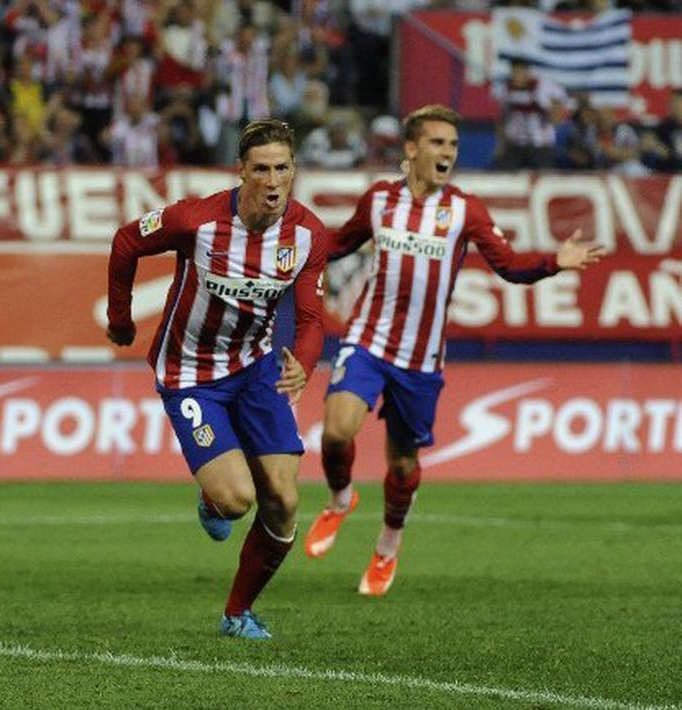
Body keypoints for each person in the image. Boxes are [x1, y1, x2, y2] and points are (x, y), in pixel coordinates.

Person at [302, 105, 604, 596]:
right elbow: (338, 244)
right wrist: (292, 243)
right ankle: (340, 500)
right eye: (437, 142)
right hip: (368, 340)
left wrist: (555, 261)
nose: (447, 152)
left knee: (403, 464)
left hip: (420, 360)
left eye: (453, 145)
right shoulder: (379, 200)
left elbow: (508, 265)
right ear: (412, 148)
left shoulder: (466, 210)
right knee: (336, 432)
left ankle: (387, 547)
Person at [106, 119, 327, 640]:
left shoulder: (308, 235)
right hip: (190, 374)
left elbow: (312, 318)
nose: (272, 181)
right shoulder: (196, 220)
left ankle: (236, 613)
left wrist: (305, 363)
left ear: (294, 170)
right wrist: (121, 320)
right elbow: (126, 241)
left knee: (284, 502)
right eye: (261, 170)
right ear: (241, 171)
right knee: (235, 501)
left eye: (282, 169)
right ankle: (212, 498)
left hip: (256, 369)